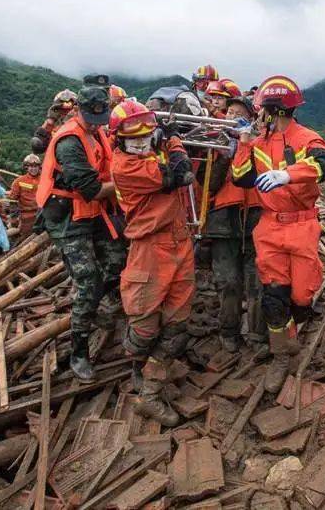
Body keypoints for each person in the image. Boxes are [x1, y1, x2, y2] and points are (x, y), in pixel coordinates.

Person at [231, 75, 325, 393]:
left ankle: (293, 328)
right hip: (270, 226)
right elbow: (241, 179)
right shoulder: (258, 139)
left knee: (302, 298)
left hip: (302, 224)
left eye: (262, 109)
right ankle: (282, 355)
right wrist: (243, 143)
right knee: (273, 298)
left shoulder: (307, 138)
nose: (258, 115)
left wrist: (287, 174)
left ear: (275, 110)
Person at [110, 99, 195, 426]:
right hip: (149, 249)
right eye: (135, 138)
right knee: (144, 327)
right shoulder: (125, 167)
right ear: (119, 139)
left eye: (148, 134)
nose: (143, 142)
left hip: (179, 242)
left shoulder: (146, 153)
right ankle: (138, 372)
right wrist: (173, 139)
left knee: (177, 326)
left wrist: (168, 140)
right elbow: (176, 173)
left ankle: (150, 392)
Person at [36, 75, 126, 382]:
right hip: (66, 215)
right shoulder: (69, 141)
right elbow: (89, 188)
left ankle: (104, 308)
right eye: (93, 116)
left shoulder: (97, 131)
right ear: (79, 111)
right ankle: (78, 350)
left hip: (91, 210)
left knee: (118, 260)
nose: (97, 122)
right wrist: (131, 185)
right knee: (88, 280)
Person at [200, 82, 263, 352]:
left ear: (251, 119)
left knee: (257, 280)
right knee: (228, 281)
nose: (235, 117)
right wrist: (225, 155)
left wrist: (248, 146)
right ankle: (229, 332)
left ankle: (258, 335)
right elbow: (208, 185)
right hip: (222, 221)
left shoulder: (262, 143)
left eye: (242, 113)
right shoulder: (211, 142)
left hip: (256, 219)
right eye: (230, 111)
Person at [31, 89, 78, 154]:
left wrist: (69, 122)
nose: (66, 113)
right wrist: (50, 121)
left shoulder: (85, 126)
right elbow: (37, 147)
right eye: (62, 109)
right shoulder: (53, 127)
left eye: (69, 110)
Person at [8, 154, 42, 238]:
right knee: (27, 240)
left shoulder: (45, 179)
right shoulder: (19, 181)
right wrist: (14, 218)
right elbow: (12, 200)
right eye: (31, 166)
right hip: (27, 217)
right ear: (26, 167)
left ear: (39, 167)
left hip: (43, 215)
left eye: (35, 166)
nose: (33, 169)